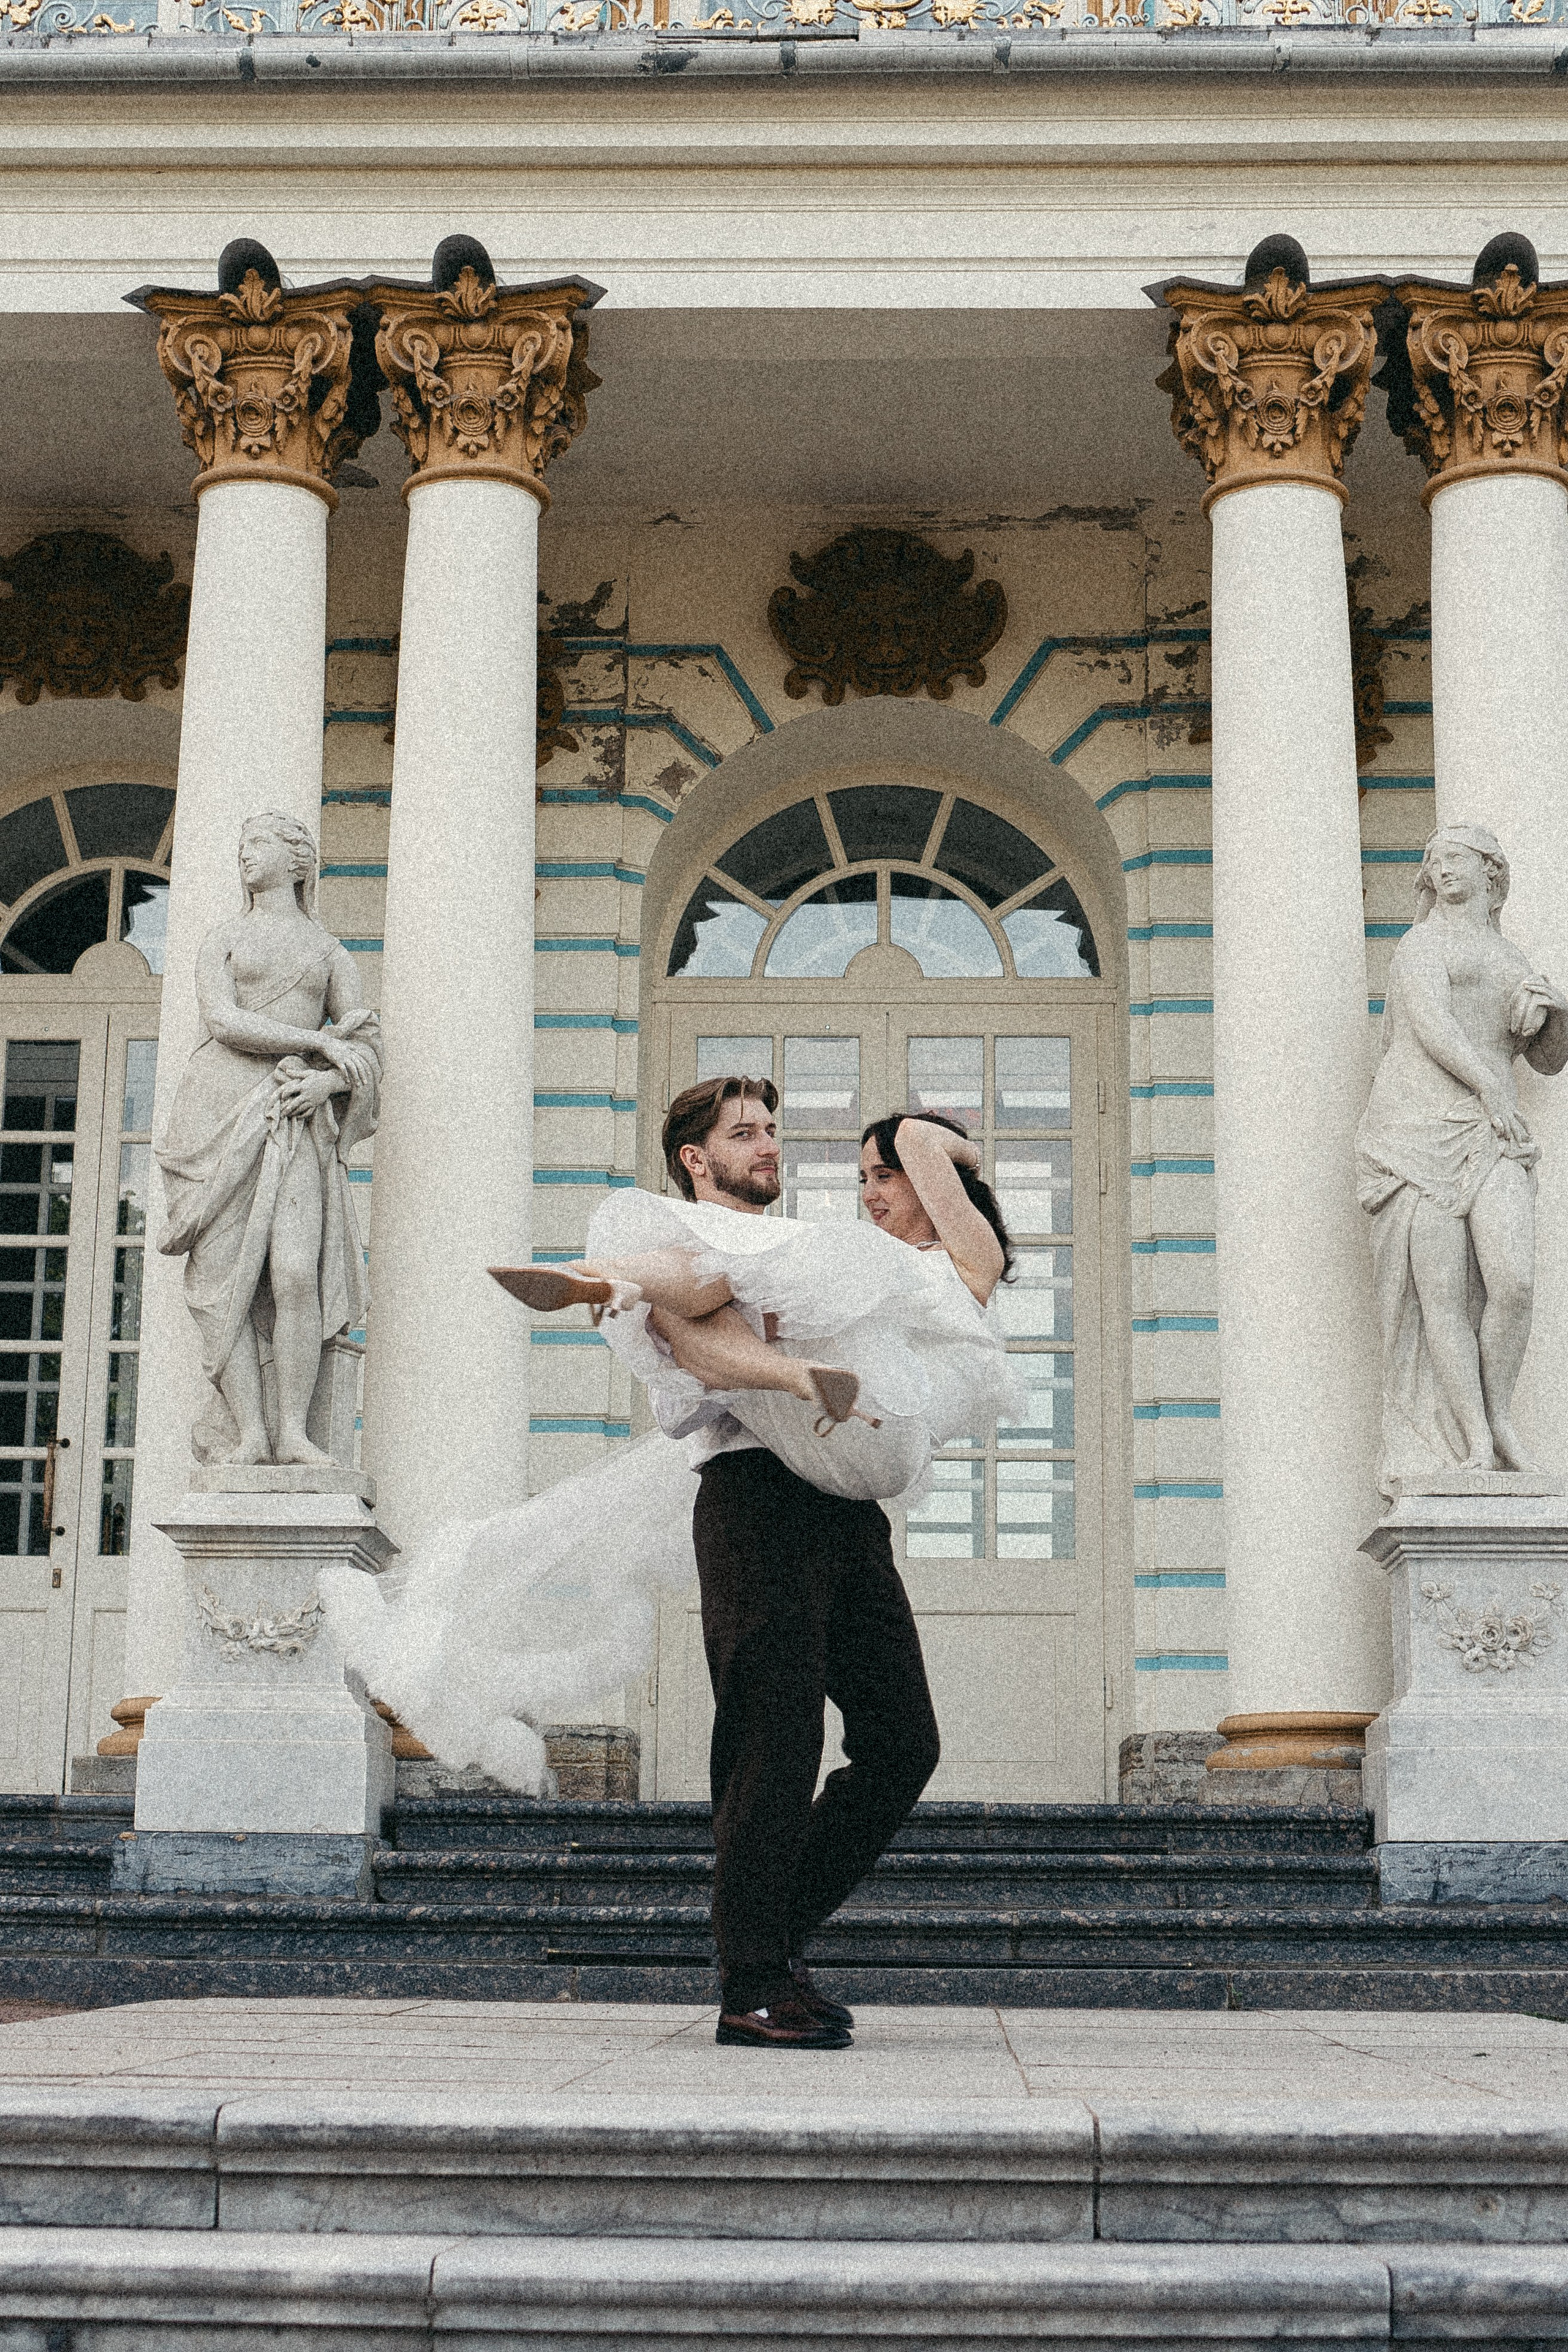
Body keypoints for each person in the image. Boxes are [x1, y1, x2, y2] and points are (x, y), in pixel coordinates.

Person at [494, 1075, 1018, 2051]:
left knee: (903, 1744)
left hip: (849, 1514)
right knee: (772, 1740)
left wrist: (918, 1140)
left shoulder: (803, 1249)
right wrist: (784, 1371)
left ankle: (772, 1939)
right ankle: (755, 1982)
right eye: (748, 1134)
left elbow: (969, 1267)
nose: (770, 1146)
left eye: (774, 1129)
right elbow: (698, 1356)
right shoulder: (687, 1234)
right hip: (753, 1498)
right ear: (698, 1158)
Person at [156, 810, 380, 1468]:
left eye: (259, 844)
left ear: (299, 863)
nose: (245, 855)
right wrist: (317, 1043)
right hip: (218, 1115)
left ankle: (292, 1433)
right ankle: (251, 1433)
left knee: (294, 1276)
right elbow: (223, 1021)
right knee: (229, 1287)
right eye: (243, 843)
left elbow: (366, 1044)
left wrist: (325, 1087)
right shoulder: (222, 939)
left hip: (293, 1117)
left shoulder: (329, 951)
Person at [1355, 821, 1568, 1494]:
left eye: (1455, 859)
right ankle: (1475, 1440)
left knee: (1513, 1283)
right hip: (1416, 1128)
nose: (1442, 870)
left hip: (1492, 1131)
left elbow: (1547, 1059)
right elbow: (1431, 1025)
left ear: (1490, 871)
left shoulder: (1513, 960)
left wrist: (1558, 1014)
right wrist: (1488, 1088)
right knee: (1438, 1295)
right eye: (1434, 861)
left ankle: (1500, 1414)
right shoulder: (1422, 944)